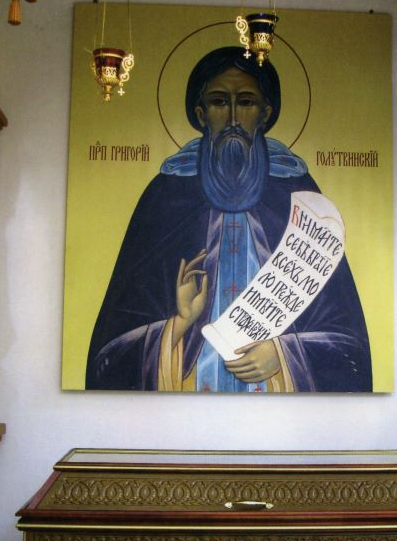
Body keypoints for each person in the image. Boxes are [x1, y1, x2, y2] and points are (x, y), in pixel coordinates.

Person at [86, 46, 372, 392]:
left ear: (265, 113)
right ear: (201, 113)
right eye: (220, 102)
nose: (234, 117)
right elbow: (109, 354)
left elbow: (349, 344)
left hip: (277, 399)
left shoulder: (297, 193)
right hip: (185, 397)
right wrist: (179, 324)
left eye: (247, 102)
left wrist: (282, 354)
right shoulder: (165, 196)